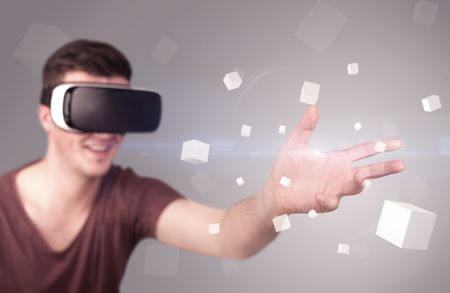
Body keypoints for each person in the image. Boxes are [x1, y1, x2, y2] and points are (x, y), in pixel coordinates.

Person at [0, 39, 405, 293]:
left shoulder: (128, 197)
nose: (107, 131)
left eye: (120, 110)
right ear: (46, 116)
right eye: (89, 109)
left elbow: (227, 237)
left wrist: (272, 201)